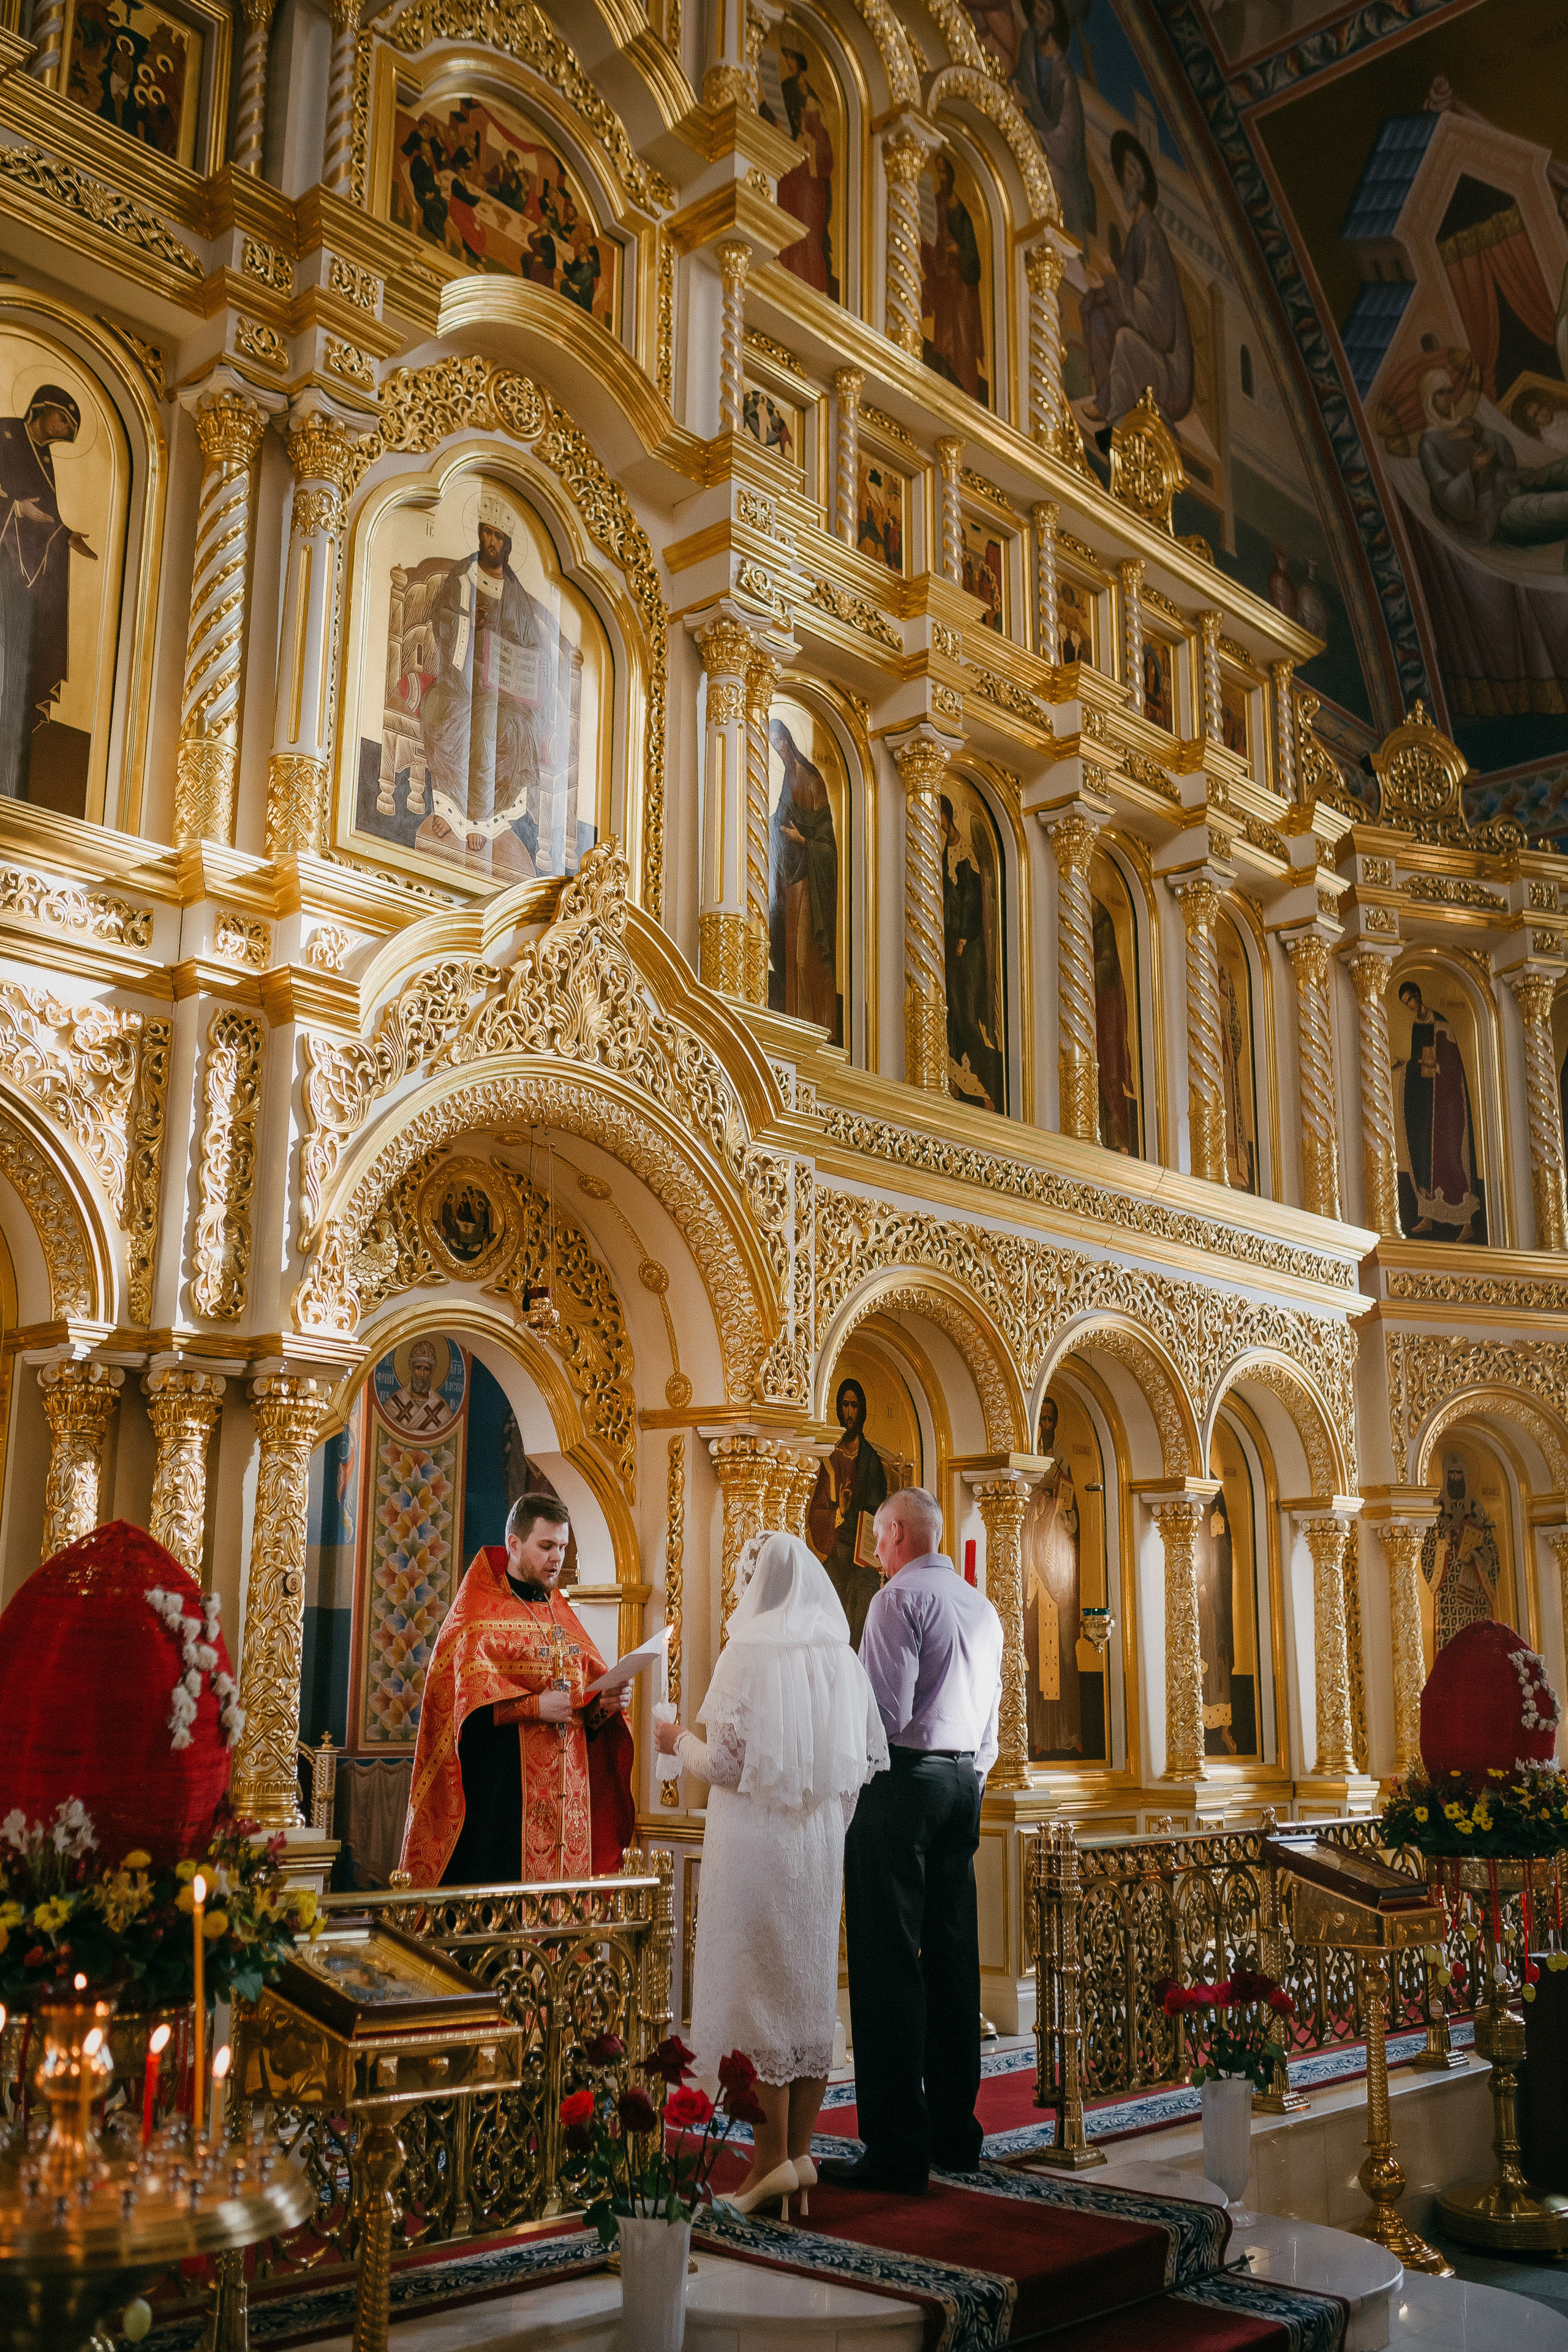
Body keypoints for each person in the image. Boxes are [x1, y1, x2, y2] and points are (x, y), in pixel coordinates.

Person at [655, 1531, 886, 2214]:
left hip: (756, 1844)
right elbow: (855, 1772)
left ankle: (766, 2166)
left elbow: (726, 1765)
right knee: (804, 1997)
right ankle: (799, 2155)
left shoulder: (748, 1653)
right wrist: (822, 1832)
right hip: (818, 1845)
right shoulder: (840, 1658)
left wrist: (676, 1740)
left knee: (754, 1998)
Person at [823, 1488, 1002, 2194]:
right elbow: (991, 1718)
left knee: (886, 1959)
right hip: (963, 1782)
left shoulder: (896, 1600)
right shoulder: (978, 1604)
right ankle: (955, 2134)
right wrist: (971, 1778)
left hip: (901, 1781)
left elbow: (885, 1712)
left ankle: (896, 2148)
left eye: (877, 1534)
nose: (874, 1548)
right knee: (953, 1957)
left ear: (895, 1532)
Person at [399, 1494, 636, 1885]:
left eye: (563, 1547)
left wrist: (605, 1706)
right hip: (500, 1810)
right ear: (514, 1544)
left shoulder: (562, 1616)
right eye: (546, 1546)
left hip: (568, 1814)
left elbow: (580, 1717)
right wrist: (534, 1707)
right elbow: (460, 1719)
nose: (557, 1559)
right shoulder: (475, 1616)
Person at [415, 484, 559, 879]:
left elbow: (534, 650)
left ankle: (479, 822)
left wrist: (517, 665)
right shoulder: (463, 576)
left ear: (507, 545)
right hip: (461, 679)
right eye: (486, 533)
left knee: (495, 727)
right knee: (443, 711)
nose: (490, 542)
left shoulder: (515, 594)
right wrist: (468, 620)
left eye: (498, 537)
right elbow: (441, 619)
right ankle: (451, 812)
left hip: (503, 694)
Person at [0, 385, 95, 802]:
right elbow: (22, 503)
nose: (66, 430)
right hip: (4, 568)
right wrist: (15, 509)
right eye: (64, 420)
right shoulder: (5, 433)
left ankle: (9, 788)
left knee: (18, 676)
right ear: (43, 408)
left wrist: (66, 534)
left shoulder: (44, 457)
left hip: (24, 582)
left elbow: (46, 514)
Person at [1080, 132, 1194, 433]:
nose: (1125, 181)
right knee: (1097, 315)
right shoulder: (1136, 233)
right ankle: (1107, 398)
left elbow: (1159, 322)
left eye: (1131, 173)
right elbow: (1126, 296)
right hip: (1152, 350)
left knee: (1124, 341)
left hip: (1171, 375)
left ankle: (1118, 421)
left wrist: (1113, 280)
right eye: (1124, 173)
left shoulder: (1151, 236)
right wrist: (1104, 285)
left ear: (1142, 181)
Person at [768, 718, 839, 1035]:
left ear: (789, 740)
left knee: (805, 953)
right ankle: (794, 1020)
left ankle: (818, 1025)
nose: (778, 750)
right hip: (790, 879)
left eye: (780, 743)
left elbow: (828, 846)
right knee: (790, 950)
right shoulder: (788, 777)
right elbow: (782, 817)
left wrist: (803, 841)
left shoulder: (812, 780)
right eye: (773, 745)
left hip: (811, 883)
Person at [1395, 978, 1480, 1239]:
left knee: (1451, 1159)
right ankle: (1428, 1217)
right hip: (1428, 1103)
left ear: (1419, 995)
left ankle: (1467, 1224)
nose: (1411, 1006)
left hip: (1447, 1104)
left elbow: (1452, 1064)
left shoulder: (1442, 1024)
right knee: (1426, 1158)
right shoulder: (1417, 1026)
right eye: (1406, 1004)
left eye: (1411, 1000)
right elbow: (1419, 1061)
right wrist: (1406, 1066)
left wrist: (1434, 1066)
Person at [806, 1378, 889, 1645]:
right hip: (835, 1553)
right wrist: (839, 1512)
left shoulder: (872, 1461)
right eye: (845, 1405)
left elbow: (879, 1514)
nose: (849, 1413)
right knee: (823, 1608)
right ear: (839, 1410)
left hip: (862, 1558)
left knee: (863, 1607)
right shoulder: (829, 1458)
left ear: (861, 1410)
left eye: (854, 1406)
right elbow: (816, 1513)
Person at [1012, 0, 1096, 248]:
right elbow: (1020, 81)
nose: (1035, 15)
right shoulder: (1028, 43)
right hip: (1029, 135)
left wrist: (1034, 130)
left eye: (1042, 11)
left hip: (1060, 161)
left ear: (1053, 20)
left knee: (1052, 180)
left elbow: (1068, 140)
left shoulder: (1065, 77)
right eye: (1034, 8)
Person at [922, 154, 987, 404]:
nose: (942, 178)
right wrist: (931, 246)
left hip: (963, 286)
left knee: (963, 336)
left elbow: (974, 260)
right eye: (938, 172)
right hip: (945, 282)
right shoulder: (936, 204)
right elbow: (931, 236)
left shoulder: (961, 213)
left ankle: (968, 393)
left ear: (952, 175)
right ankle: (944, 381)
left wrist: (959, 251)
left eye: (945, 172)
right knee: (945, 334)